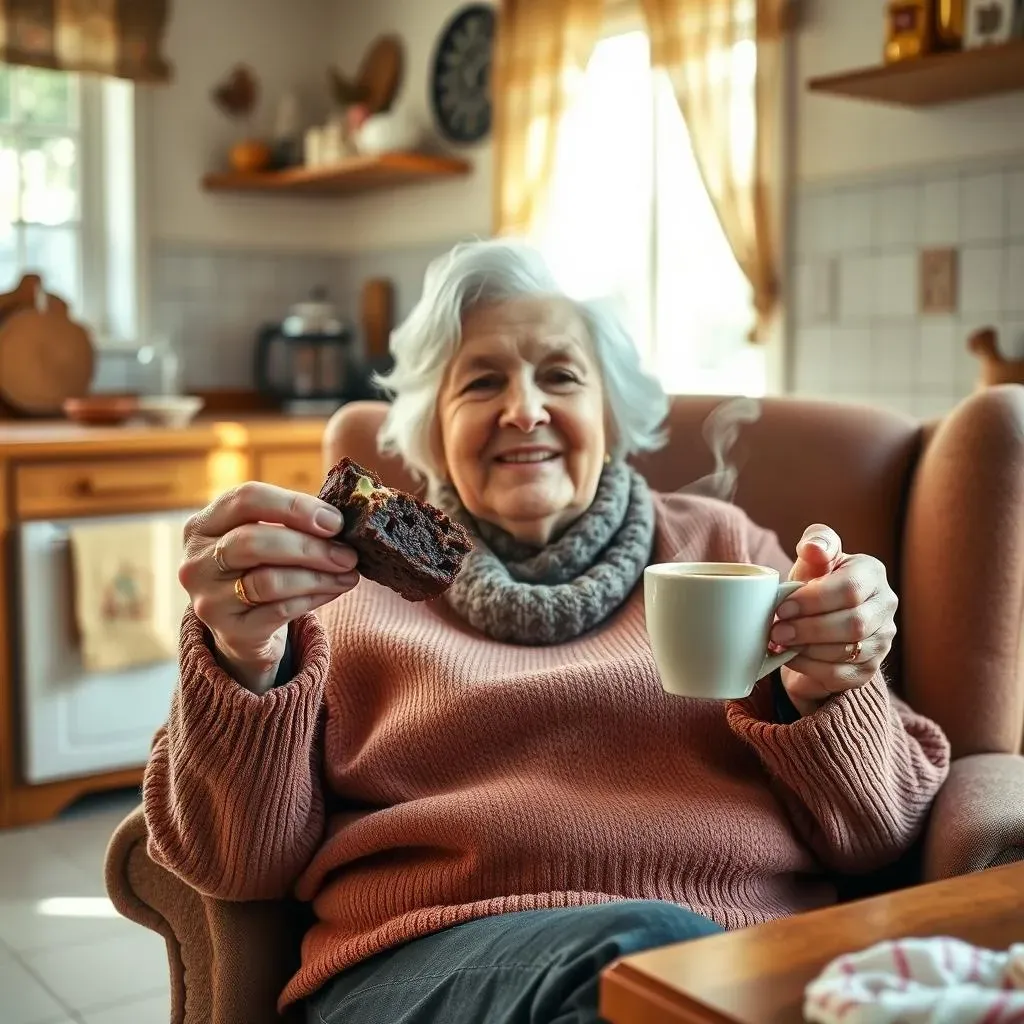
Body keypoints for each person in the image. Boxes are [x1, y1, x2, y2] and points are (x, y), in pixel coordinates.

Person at [145, 239, 950, 1024]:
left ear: (611, 413)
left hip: (740, 962)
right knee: (645, 966)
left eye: (560, 375)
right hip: (428, 966)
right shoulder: (336, 592)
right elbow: (234, 863)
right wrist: (242, 658)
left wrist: (831, 691)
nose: (523, 409)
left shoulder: (730, 551)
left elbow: (879, 836)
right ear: (431, 431)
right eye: (481, 382)